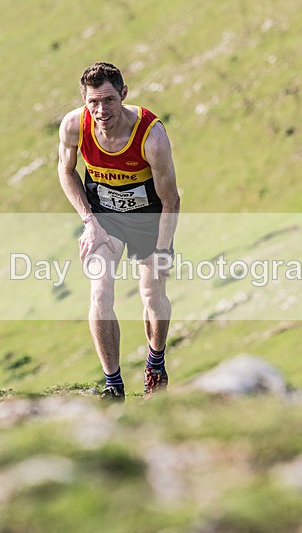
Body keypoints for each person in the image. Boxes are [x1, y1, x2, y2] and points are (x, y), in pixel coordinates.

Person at [58, 62, 180, 402]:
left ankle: (155, 363)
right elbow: (66, 172)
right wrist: (89, 221)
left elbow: (171, 200)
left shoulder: (152, 137)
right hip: (103, 217)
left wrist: (163, 250)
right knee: (100, 293)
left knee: (151, 294)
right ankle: (113, 385)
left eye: (109, 100)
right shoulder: (74, 126)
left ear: (124, 95)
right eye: (93, 102)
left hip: (149, 218)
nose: (101, 110)